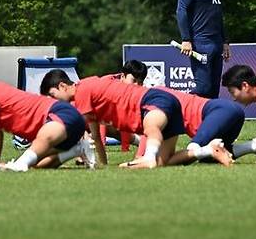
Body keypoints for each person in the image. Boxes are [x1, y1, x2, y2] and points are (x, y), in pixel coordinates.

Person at [0, 71, 94, 172]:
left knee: (35, 148)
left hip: (60, 114)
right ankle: (77, 149)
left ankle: (20, 164)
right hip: (68, 130)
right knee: (37, 164)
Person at [40, 69, 185, 169]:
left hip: (151, 100)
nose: (55, 101)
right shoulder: (86, 93)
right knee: (163, 162)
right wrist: (104, 166)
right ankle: (203, 151)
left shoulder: (82, 93)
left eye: (53, 95)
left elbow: (74, 132)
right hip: (164, 101)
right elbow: (96, 137)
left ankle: (148, 157)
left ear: (63, 86)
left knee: (151, 128)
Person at [159, 87, 256, 166]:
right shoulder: (158, 94)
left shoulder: (154, 98)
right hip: (229, 112)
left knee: (192, 151)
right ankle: (252, 146)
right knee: (210, 156)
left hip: (219, 111)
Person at [176, 0, 230, 98]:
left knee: (214, 91)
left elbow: (218, 13)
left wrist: (225, 41)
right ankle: (182, 113)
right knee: (203, 88)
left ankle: (211, 123)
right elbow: (181, 9)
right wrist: (186, 38)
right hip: (201, 43)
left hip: (216, 43)